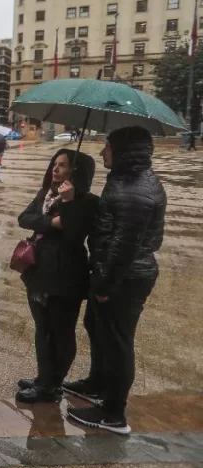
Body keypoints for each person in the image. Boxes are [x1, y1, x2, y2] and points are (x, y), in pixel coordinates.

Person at [66, 126, 166, 435]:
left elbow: (124, 248)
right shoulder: (124, 180)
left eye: (107, 147)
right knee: (96, 327)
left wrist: (107, 287)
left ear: (122, 152)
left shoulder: (134, 191)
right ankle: (98, 383)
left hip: (124, 278)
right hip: (113, 272)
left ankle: (113, 413)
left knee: (117, 342)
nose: (101, 153)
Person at [15, 150, 98, 404]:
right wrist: (51, 223)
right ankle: (44, 378)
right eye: (55, 164)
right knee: (42, 330)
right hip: (38, 274)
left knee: (61, 333)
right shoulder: (46, 195)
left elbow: (74, 236)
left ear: (77, 171)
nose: (56, 169)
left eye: (63, 166)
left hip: (65, 279)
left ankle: (52, 386)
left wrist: (70, 203)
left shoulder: (88, 202)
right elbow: (24, 218)